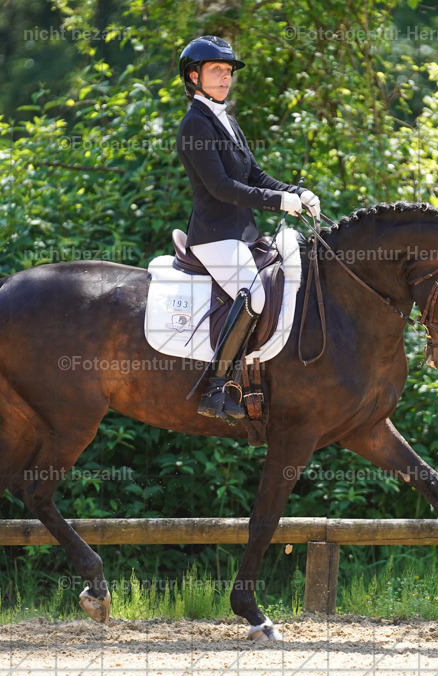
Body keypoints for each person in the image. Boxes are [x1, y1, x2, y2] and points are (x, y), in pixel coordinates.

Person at [176, 35, 320, 425]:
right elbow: (221, 187)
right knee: (253, 295)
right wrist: (278, 203)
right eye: (216, 70)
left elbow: (254, 176)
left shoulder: (226, 119)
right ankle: (217, 387)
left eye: (228, 71)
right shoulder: (195, 124)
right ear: (194, 76)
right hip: (214, 235)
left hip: (242, 233)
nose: (225, 77)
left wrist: (297, 193)